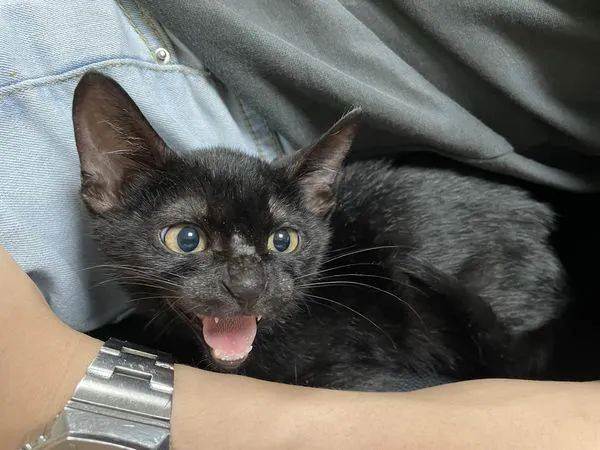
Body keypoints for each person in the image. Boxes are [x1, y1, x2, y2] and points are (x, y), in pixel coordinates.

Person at [1, 0, 599, 447]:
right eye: (188, 239)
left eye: (283, 242)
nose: (247, 283)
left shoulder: (305, 349)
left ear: (319, 201)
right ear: (113, 186)